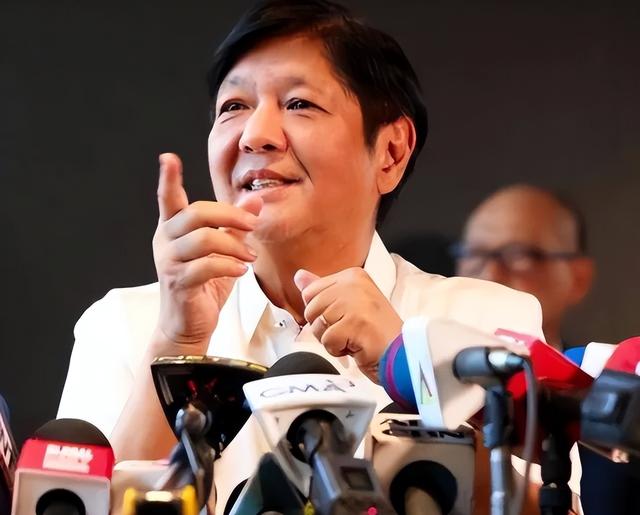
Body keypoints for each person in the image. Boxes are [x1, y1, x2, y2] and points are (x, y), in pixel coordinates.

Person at [58, 1, 544, 512]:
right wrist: (176, 344)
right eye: (233, 106)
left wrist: (407, 369)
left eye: (298, 104)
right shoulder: (122, 325)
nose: (255, 135)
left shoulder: (482, 325)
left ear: (391, 152)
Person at [454, 184, 595, 351]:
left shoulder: (592, 367)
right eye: (475, 254)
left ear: (579, 279)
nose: (491, 275)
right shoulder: (429, 364)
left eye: (519, 255)